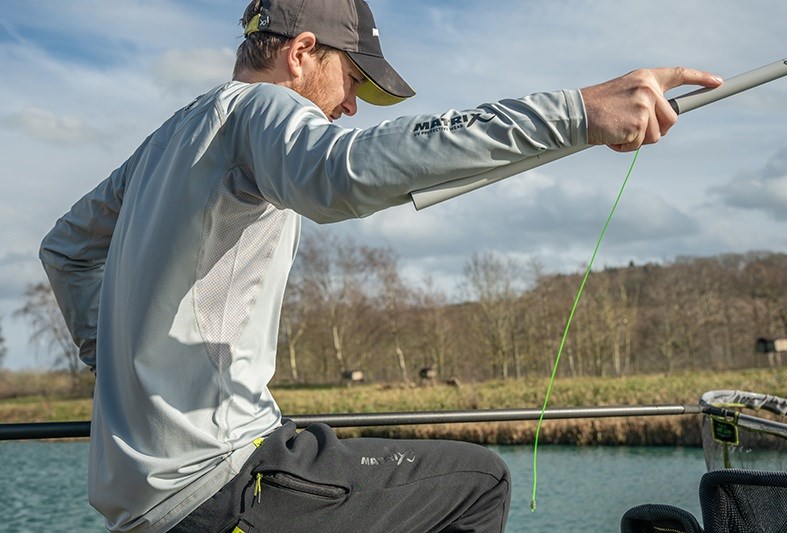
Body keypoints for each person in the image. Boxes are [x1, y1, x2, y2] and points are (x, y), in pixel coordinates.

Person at [39, 1, 723, 531]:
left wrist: (124, 369)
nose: (350, 106)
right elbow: (343, 172)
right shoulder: (262, 110)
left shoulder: (169, 139)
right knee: (480, 484)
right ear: (302, 53)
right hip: (223, 482)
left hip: (145, 506)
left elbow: (65, 249)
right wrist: (576, 113)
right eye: (354, 79)